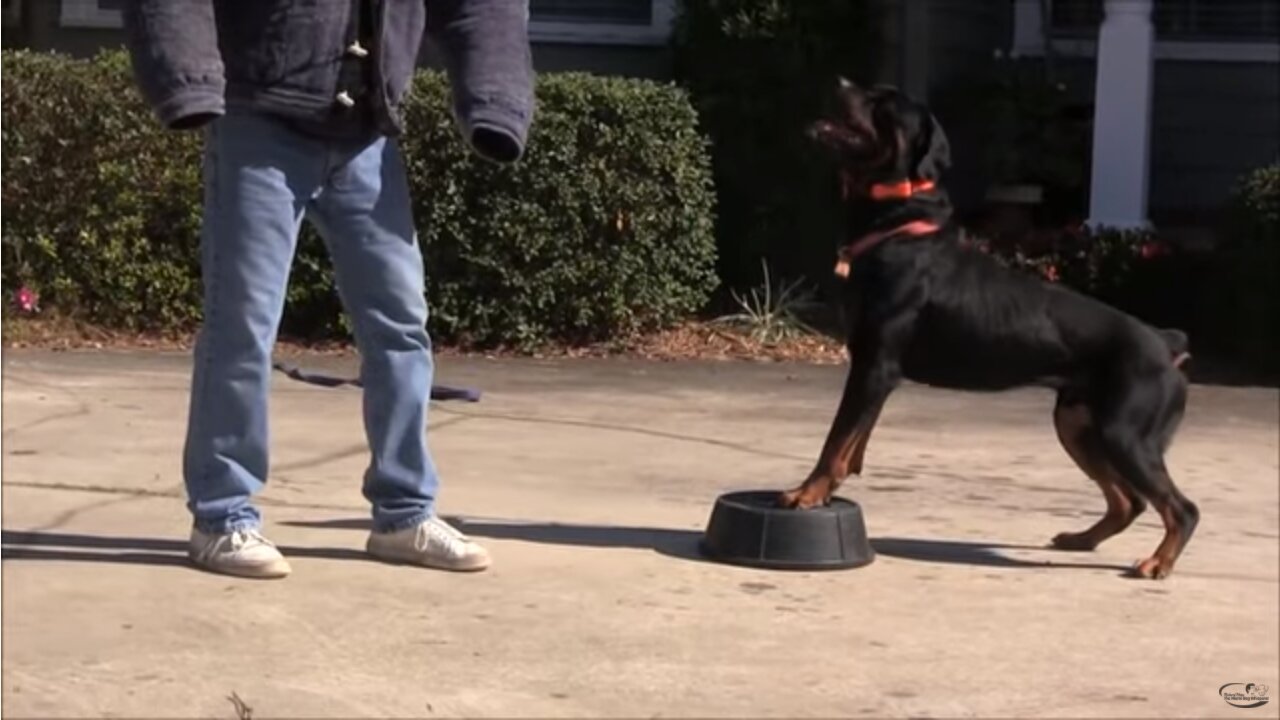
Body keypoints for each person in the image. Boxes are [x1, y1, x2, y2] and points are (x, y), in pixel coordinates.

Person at [121, 0, 534, 579]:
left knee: (401, 326)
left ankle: (404, 514)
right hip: (258, 123)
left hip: (368, 132)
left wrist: (495, 102)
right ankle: (220, 518)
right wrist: (185, 81)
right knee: (242, 325)